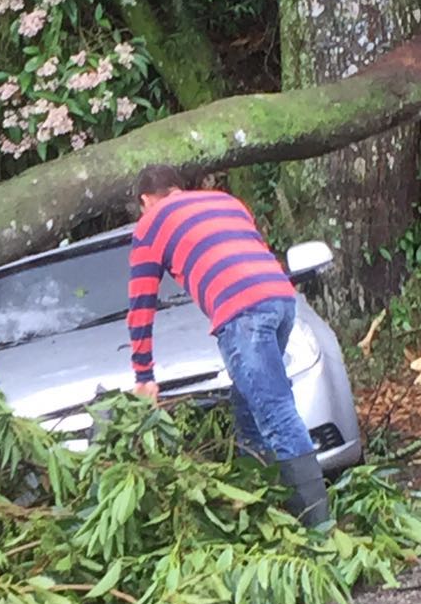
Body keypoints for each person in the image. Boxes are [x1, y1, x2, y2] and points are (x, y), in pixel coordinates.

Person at [126, 163, 330, 528]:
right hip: (281, 300)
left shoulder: (151, 223)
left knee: (276, 414)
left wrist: (144, 375)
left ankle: (318, 528)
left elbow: (141, 306)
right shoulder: (226, 201)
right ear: (179, 187)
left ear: (146, 200)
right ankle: (264, 502)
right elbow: (256, 251)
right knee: (249, 407)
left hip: (242, 313)